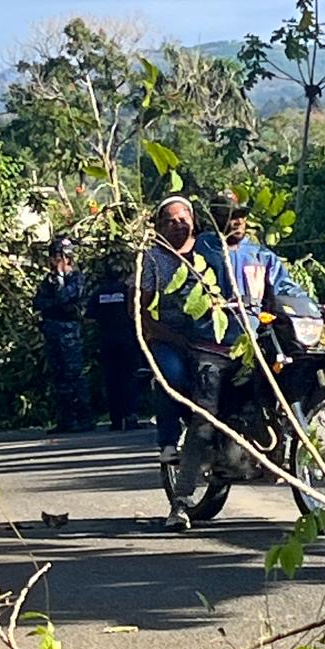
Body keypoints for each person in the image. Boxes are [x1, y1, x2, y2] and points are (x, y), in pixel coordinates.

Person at [165, 190, 325, 531]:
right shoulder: (199, 252)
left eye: (241, 214)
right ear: (214, 218)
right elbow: (183, 290)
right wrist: (208, 305)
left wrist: (318, 307)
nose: (237, 221)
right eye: (229, 215)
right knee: (204, 420)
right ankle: (181, 502)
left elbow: (288, 288)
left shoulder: (261, 255)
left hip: (256, 344)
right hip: (214, 347)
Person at [139, 195, 199, 465]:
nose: (177, 226)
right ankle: (168, 441)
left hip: (208, 333)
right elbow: (139, 308)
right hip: (167, 334)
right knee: (171, 377)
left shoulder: (207, 251)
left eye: (182, 220)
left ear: (193, 221)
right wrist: (164, 334)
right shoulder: (152, 259)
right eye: (170, 222)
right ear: (160, 227)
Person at [33, 236, 93, 433]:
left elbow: (65, 297)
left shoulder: (76, 278)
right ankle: (65, 420)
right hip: (52, 333)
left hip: (69, 334)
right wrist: (55, 300)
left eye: (57, 256)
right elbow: (38, 303)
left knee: (74, 375)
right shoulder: (48, 281)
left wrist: (60, 280)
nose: (54, 261)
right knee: (58, 377)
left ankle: (84, 418)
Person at [86, 255, 141, 432]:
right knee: (130, 378)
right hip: (127, 341)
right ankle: (130, 416)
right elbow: (137, 313)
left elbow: (88, 318)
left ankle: (116, 419)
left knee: (112, 380)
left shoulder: (98, 293)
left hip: (107, 341)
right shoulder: (127, 292)